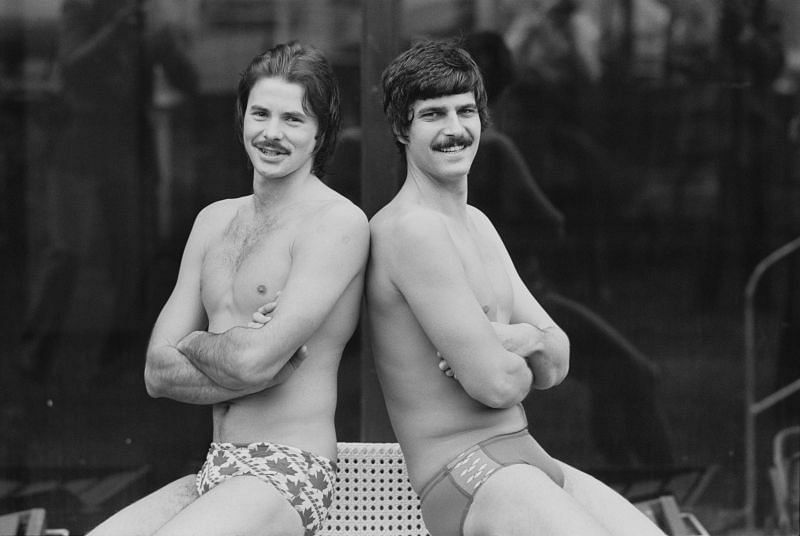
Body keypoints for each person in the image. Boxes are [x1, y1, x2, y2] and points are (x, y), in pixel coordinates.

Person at [367, 39, 666, 536]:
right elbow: (498, 384)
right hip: (470, 472)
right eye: (433, 115)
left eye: (466, 111)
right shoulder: (410, 230)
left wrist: (515, 341)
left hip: (527, 455)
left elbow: (557, 362)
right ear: (402, 128)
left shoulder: (477, 223)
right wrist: (519, 349)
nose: (454, 130)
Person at [87, 42, 369, 536]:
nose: (272, 133)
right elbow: (157, 372)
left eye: (293, 119)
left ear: (321, 133)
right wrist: (242, 354)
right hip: (215, 467)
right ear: (241, 117)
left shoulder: (337, 222)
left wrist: (196, 346)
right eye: (260, 113)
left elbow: (252, 363)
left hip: (287, 469)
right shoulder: (214, 220)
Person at [16, 0, 199, 381]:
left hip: (128, 150)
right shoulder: (82, 11)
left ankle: (123, 353)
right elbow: (71, 66)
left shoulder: (144, 23)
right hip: (79, 146)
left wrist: (163, 43)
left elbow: (188, 81)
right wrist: (114, 31)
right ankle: (38, 349)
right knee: (65, 252)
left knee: (131, 254)